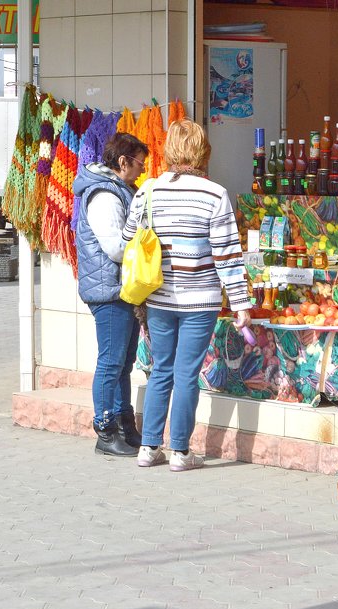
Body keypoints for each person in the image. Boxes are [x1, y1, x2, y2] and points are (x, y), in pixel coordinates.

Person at [121, 119, 253, 471]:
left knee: (160, 370)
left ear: (169, 151)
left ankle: (148, 448)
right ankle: (180, 452)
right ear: (202, 152)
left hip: (159, 298)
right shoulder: (214, 194)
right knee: (186, 373)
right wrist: (240, 305)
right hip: (201, 300)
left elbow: (127, 240)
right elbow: (227, 254)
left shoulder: (147, 190)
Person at [73, 133, 150, 456]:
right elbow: (116, 247)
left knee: (123, 363)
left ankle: (124, 425)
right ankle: (105, 432)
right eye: (139, 164)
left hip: (120, 289)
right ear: (123, 162)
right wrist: (146, 241)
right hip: (108, 292)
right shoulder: (105, 195)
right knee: (111, 362)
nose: (141, 171)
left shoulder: (120, 190)